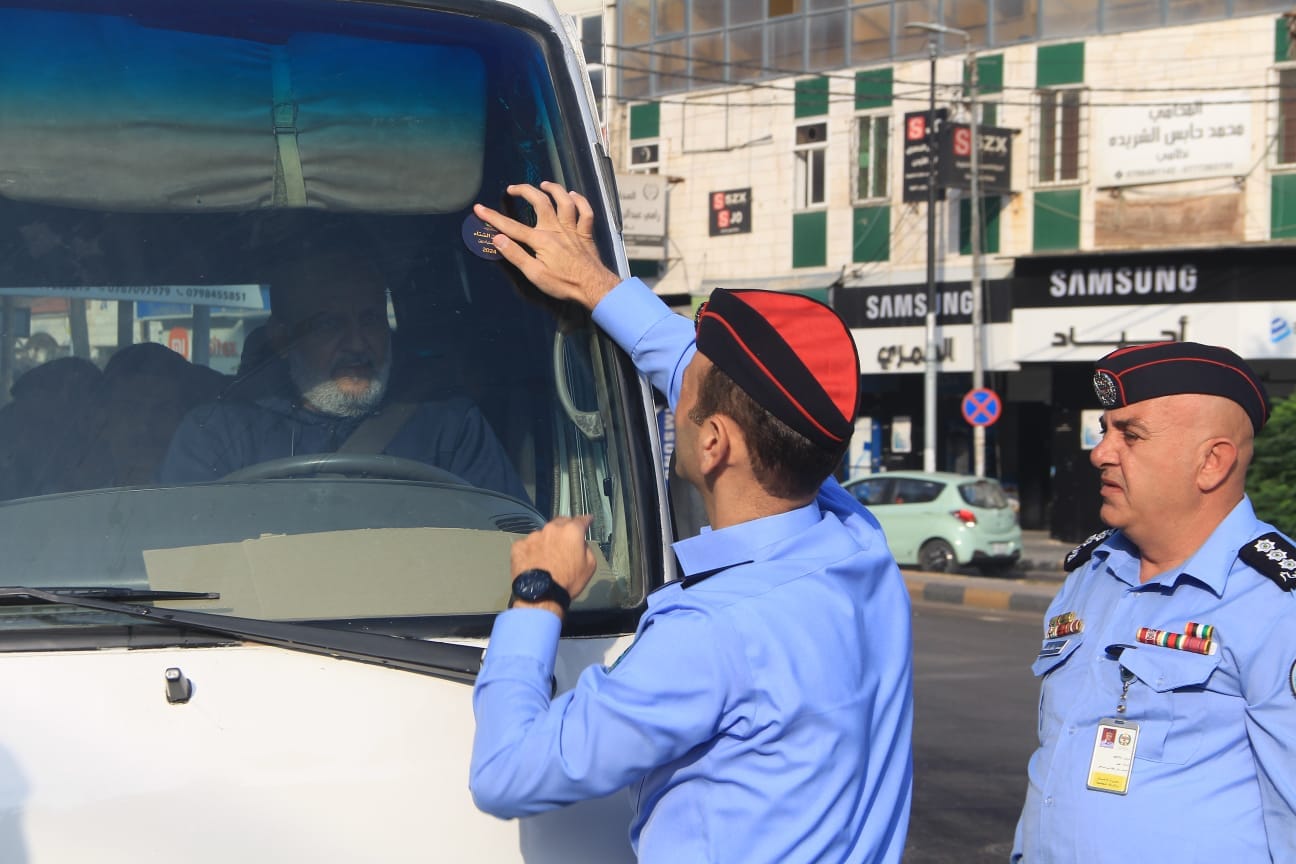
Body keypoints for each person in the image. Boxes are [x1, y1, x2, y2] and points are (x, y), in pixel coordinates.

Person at [467, 182, 913, 863]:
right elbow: (694, 371)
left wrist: (537, 595)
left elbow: (506, 773)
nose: (672, 398)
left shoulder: (708, 637)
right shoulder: (857, 543)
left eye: (685, 396)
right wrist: (595, 284)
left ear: (713, 445)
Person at [1012, 341, 1296, 862]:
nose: (1100, 453)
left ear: (1211, 462)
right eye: (1105, 430)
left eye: (1131, 434)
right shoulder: (1092, 572)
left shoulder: (1276, 601)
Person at [158, 251, 527, 500]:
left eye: (370, 320)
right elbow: (184, 560)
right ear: (283, 339)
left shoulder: (449, 426)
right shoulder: (217, 435)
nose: (357, 343)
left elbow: (507, 549)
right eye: (329, 325)